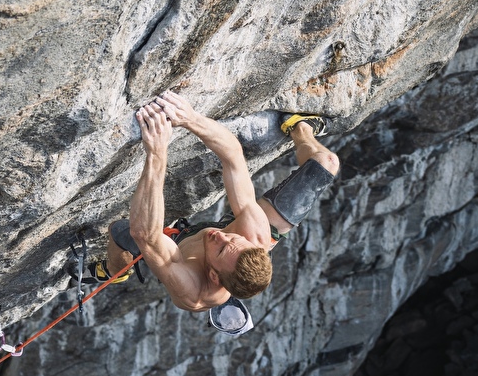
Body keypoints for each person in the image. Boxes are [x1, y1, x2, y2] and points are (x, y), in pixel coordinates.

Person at [98, 91, 340, 319]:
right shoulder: (254, 236)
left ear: (213, 274)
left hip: (176, 248)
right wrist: (190, 118)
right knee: (326, 163)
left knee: (120, 231)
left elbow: (144, 234)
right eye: (233, 240)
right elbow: (233, 157)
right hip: (242, 235)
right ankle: (301, 128)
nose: (220, 236)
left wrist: (157, 152)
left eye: (222, 249)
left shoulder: (192, 290)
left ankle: (113, 270)